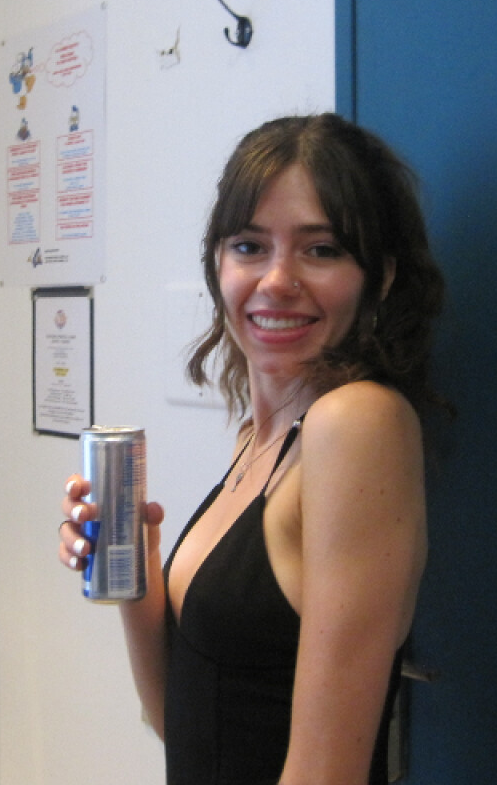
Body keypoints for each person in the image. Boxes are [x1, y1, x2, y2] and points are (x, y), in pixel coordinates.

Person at [58, 113, 447, 785]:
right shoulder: (259, 440)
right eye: (249, 246)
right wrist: (133, 565)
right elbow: (181, 721)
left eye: (320, 250)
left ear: (379, 277)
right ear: (218, 264)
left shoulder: (357, 424)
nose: (276, 280)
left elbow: (326, 772)